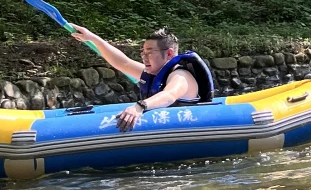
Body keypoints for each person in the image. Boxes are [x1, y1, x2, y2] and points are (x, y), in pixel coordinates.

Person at [67, 24, 215, 130]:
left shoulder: (181, 76)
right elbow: (123, 63)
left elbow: (169, 95)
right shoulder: (154, 74)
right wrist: (93, 38)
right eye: (143, 52)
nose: (144, 57)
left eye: (149, 52)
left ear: (169, 53)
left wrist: (140, 106)